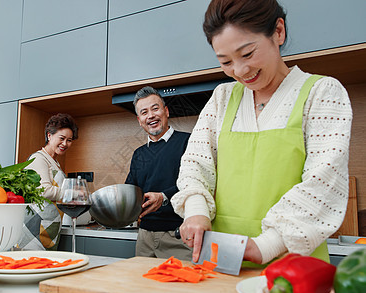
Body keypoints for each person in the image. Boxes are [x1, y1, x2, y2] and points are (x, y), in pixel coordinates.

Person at [171, 0, 352, 266]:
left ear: (278, 32)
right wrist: (196, 212)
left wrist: (265, 246)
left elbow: (324, 183)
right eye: (226, 62)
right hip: (221, 262)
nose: (240, 71)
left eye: (247, 54)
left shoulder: (322, 93)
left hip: (294, 266)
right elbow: (196, 164)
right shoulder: (222, 97)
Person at [125, 86, 192, 260]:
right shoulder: (138, 154)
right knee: (143, 286)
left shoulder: (189, 141)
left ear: (166, 111)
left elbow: (197, 183)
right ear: (140, 120)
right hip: (144, 237)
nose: (151, 115)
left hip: (178, 236)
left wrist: (163, 197)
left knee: (180, 286)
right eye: (144, 112)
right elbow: (130, 192)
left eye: (155, 109)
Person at [19, 113, 78, 251]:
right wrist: (72, 194)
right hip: (35, 226)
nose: (65, 144)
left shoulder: (54, 162)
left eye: (69, 140)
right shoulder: (39, 158)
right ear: (49, 135)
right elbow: (44, 190)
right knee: (33, 266)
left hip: (48, 226)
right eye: (62, 138)